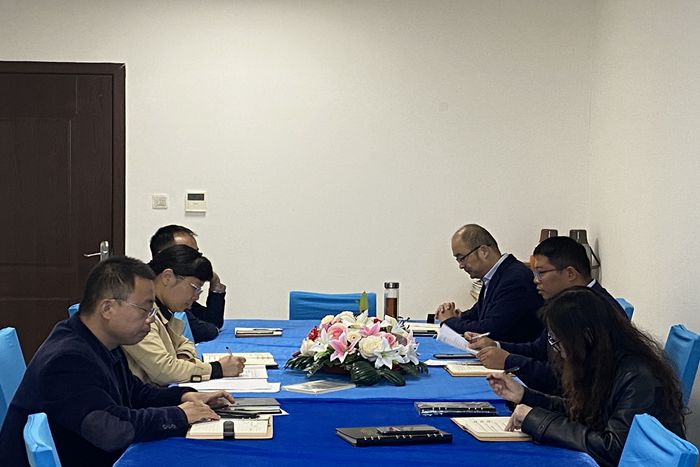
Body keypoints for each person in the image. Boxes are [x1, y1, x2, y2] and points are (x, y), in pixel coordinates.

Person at [0, 257, 234, 467]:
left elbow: (134, 392)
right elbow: (111, 431)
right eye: (145, 310)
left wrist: (185, 397)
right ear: (107, 308)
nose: (151, 320)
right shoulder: (68, 359)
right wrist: (179, 416)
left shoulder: (100, 340)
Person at [487, 287, 685, 467]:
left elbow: (611, 449)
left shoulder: (638, 378)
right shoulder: (605, 362)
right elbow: (585, 413)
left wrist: (536, 419)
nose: (559, 352)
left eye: (558, 342)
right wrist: (526, 396)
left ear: (587, 337)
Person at [468, 236, 626, 392]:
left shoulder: (594, 311)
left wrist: (509, 361)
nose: (535, 280)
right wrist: (495, 345)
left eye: (541, 273)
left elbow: (563, 379)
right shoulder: (566, 304)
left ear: (570, 273)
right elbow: (539, 349)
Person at [122, 245, 245, 385]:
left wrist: (183, 358)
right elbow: (164, 371)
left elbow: (185, 342)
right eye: (195, 288)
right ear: (167, 277)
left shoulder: (163, 310)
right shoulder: (139, 313)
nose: (196, 297)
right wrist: (217, 369)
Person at [434, 224, 543, 342]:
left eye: (462, 258)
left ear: (483, 251)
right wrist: (457, 316)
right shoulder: (497, 274)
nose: (461, 265)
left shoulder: (514, 278)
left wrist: (449, 321)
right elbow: (479, 313)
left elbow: (489, 330)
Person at [150, 225, 225, 343]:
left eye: (196, 253)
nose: (196, 259)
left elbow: (211, 321)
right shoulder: (142, 299)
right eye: (185, 252)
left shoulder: (175, 290)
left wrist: (214, 284)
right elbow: (200, 331)